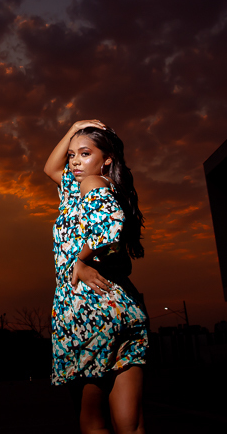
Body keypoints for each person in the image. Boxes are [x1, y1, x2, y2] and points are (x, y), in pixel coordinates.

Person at [44, 119, 149, 434]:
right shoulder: (79, 190)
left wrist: (80, 260)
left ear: (107, 159)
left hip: (89, 310)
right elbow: (50, 168)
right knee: (130, 423)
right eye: (72, 154)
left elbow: (108, 231)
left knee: (92, 422)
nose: (74, 161)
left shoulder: (93, 184)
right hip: (123, 306)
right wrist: (75, 128)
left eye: (85, 153)